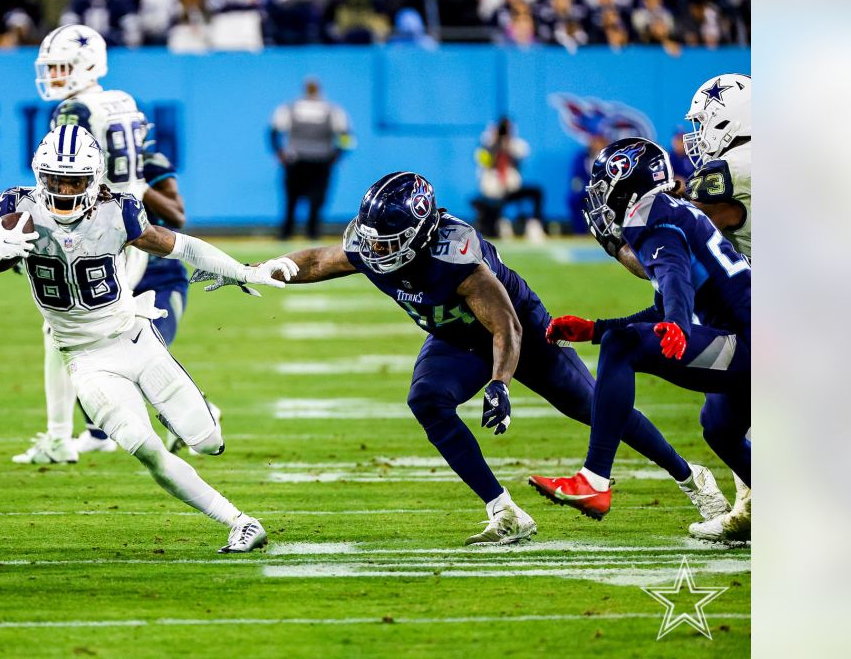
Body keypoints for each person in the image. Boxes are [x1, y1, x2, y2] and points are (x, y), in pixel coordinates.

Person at [201, 172, 729, 546]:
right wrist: (253, 270)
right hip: (457, 340)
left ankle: (692, 479)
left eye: (390, 242)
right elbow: (318, 259)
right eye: (373, 240)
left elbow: (506, 326)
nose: (376, 252)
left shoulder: (459, 257)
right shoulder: (373, 245)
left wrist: (500, 385)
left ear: (423, 233)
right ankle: (504, 513)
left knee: (594, 407)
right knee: (427, 399)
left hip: (521, 332)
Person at [0, 125, 292, 552]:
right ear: (38, 175)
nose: (64, 188)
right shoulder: (17, 210)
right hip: (86, 359)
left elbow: (179, 244)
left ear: (94, 178)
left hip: (134, 337)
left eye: (73, 180)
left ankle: (174, 416)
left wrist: (245, 270)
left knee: (208, 443)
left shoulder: (117, 210)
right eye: (53, 178)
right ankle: (240, 522)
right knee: (146, 450)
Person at [530, 138, 750, 536]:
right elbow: (665, 304)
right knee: (719, 426)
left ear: (626, 181)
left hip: (752, 342)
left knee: (624, 346)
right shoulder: (672, 208)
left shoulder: (647, 210)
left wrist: (679, 325)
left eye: (602, 189)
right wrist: (596, 329)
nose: (599, 200)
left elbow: (672, 275)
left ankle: (594, 480)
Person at [26, 23, 208, 460]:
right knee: (101, 334)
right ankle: (86, 432)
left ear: (87, 63)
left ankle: (59, 437)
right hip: (129, 222)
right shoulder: (121, 100)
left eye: (61, 67)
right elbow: (128, 173)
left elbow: (69, 172)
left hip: (100, 228)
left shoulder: (74, 111)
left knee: (69, 330)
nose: (52, 76)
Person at [597, 73, 752, 540]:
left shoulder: (736, 170)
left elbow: (670, 246)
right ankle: (753, 506)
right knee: (720, 421)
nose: (696, 135)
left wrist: (619, 231)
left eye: (702, 123)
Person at [270, 78, 352, 240]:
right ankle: (312, 233)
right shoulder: (333, 110)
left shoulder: (290, 108)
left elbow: (273, 132)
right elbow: (346, 136)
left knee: (291, 199)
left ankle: (286, 233)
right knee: (317, 200)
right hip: (321, 161)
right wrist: (338, 154)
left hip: (295, 160)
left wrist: (279, 152)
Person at [471, 116, 545, 242]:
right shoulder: (487, 144)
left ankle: (534, 225)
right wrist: (492, 144)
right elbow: (482, 162)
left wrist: (508, 143)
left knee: (537, 191)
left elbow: (523, 152)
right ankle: (501, 223)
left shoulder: (514, 143)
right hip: (494, 187)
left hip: (511, 186)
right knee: (496, 200)